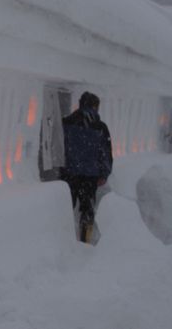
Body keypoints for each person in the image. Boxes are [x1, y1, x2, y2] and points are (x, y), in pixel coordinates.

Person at [62, 91, 113, 243]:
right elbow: (106, 152)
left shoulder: (67, 122)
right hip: (90, 176)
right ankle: (85, 239)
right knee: (87, 210)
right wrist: (104, 173)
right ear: (94, 106)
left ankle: (63, 237)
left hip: (69, 173)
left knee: (66, 207)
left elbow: (59, 145)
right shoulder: (100, 127)